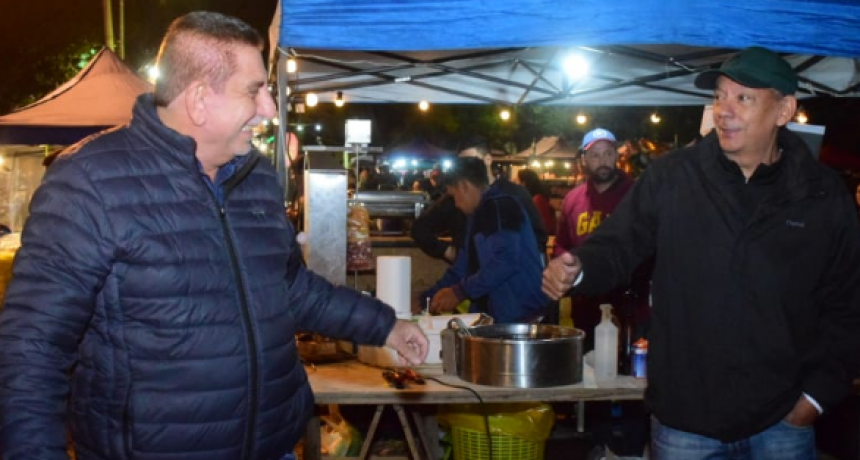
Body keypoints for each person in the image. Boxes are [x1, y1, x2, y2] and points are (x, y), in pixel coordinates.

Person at [0, 12, 427, 460]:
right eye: (254, 91)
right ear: (200, 99)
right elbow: (32, 351)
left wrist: (384, 326)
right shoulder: (89, 181)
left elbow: (290, 288)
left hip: (273, 447)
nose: (269, 109)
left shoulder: (256, 177)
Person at [543, 46, 860, 459]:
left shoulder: (821, 194)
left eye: (743, 98)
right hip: (685, 422)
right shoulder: (674, 176)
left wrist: (814, 399)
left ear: (784, 110)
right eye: (719, 96)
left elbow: (848, 303)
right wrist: (579, 268)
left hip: (782, 420)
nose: (724, 110)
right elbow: (619, 242)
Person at [425, 157, 548, 323]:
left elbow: (506, 260)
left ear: (464, 186)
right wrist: (427, 298)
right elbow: (462, 266)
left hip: (522, 315)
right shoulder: (475, 215)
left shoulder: (501, 205)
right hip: (497, 315)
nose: (456, 204)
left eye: (454, 196)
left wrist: (460, 292)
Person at [410, 136, 548, 264]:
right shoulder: (455, 197)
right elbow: (419, 228)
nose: (468, 167)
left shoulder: (515, 194)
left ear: (488, 159)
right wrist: (447, 251)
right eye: (463, 163)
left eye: (472, 161)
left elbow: (538, 238)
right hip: (468, 275)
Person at [515, 168, 557, 236]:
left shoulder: (537, 200)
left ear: (524, 183)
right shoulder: (535, 198)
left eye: (517, 180)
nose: (515, 183)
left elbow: (543, 225)